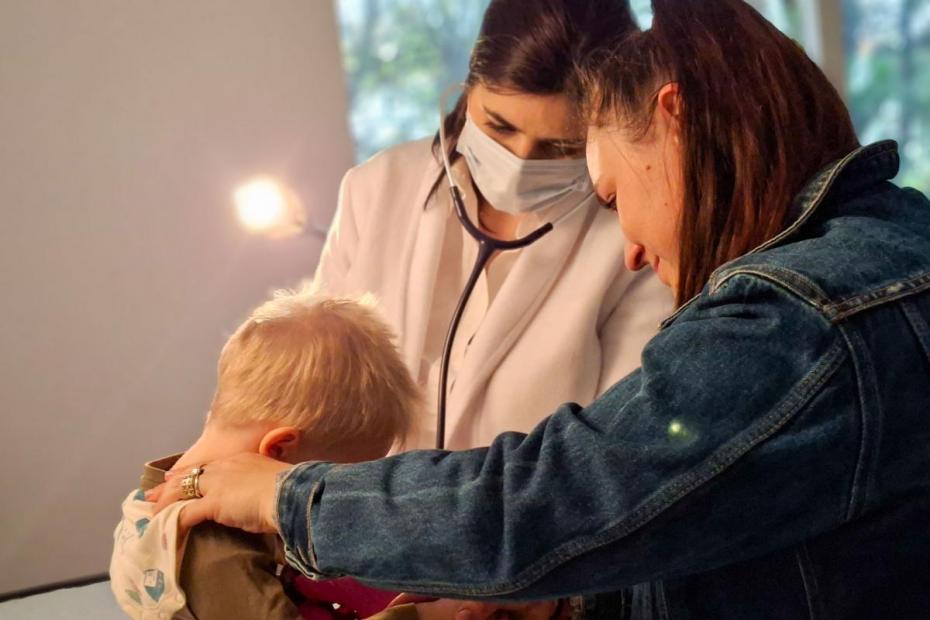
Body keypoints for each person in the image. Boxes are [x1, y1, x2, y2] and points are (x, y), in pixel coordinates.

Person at [153, 0, 930, 617]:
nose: (630, 249)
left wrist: (284, 496)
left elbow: (566, 492)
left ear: (674, 118)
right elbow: (707, 521)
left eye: (611, 194)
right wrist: (563, 604)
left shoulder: (795, 322)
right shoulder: (885, 249)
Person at [314, 0, 672, 450]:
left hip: (530, 498)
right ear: (470, 81)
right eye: (500, 127)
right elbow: (316, 377)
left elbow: (610, 445)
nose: (520, 161)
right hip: (357, 491)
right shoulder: (376, 188)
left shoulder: (636, 239)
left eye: (559, 147)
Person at [110, 288, 419, 619]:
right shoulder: (216, 555)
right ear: (277, 452)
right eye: (327, 489)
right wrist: (421, 617)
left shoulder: (155, 492)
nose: (331, 504)